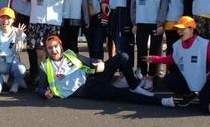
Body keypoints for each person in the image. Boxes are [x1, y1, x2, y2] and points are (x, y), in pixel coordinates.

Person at [37, 36, 171, 106]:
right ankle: (160, 101)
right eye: (50, 48)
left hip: (93, 78)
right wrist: (45, 94)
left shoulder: (70, 54)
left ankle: (134, 86)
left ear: (60, 46)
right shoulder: (45, 66)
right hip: (87, 90)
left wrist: (100, 63)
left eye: (55, 46)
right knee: (123, 94)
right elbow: (41, 87)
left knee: (123, 57)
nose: (53, 50)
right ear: (47, 51)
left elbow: (89, 61)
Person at [145, 16, 210, 111]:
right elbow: (173, 59)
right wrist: (154, 59)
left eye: (182, 29)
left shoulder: (204, 44)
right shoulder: (177, 45)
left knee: (205, 106)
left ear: (192, 29)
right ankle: (189, 94)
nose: (179, 31)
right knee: (169, 79)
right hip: (187, 80)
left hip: (205, 81)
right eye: (178, 29)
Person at [8, 0, 78, 71]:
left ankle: (53, 80)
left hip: (53, 26)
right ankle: (42, 80)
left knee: (53, 54)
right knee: (40, 55)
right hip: (36, 25)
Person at [131, 0, 168, 90]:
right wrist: (134, 23)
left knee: (154, 51)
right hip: (141, 23)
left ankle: (151, 77)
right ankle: (142, 75)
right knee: (141, 50)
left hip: (155, 24)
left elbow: (164, 7)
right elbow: (133, 6)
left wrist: (160, 24)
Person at [10, 0, 39, 82]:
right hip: (18, 17)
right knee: (14, 44)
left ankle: (34, 73)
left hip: (31, 18)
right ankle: (13, 71)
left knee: (31, 47)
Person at [0, 7, 27, 95]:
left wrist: (19, 37)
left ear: (13, 20)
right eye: (2, 17)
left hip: (12, 65)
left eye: (8, 18)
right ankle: (8, 81)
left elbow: (17, 51)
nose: (5, 20)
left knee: (21, 69)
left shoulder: (19, 32)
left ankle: (15, 83)